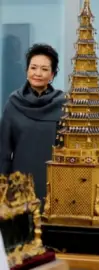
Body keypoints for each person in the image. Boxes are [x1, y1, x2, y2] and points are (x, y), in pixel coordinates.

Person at [0, 43, 65, 203]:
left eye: (44, 69)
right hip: (20, 183)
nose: (38, 73)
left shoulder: (63, 104)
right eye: (33, 68)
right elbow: (4, 151)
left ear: (52, 75)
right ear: (26, 71)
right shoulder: (13, 103)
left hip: (56, 182)